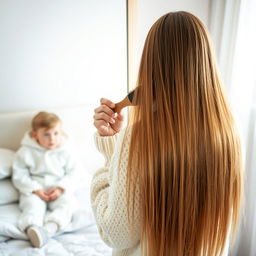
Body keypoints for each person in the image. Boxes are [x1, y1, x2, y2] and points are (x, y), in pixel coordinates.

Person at [91, 11, 243, 256]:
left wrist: (110, 156)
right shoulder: (227, 135)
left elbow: (117, 234)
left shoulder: (140, 138)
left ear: (152, 63)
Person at [12, 111, 76, 248]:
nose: (52, 139)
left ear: (61, 132)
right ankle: (33, 228)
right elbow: (19, 175)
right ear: (35, 135)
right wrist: (35, 189)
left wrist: (60, 188)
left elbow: (73, 173)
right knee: (31, 205)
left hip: (57, 187)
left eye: (56, 133)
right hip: (36, 188)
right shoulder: (25, 152)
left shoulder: (65, 151)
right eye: (46, 134)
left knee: (67, 204)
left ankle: (48, 230)